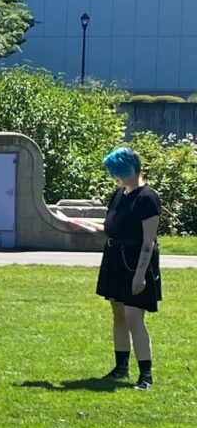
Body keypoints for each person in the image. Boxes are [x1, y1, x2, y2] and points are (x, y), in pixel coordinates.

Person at [78, 146, 161, 390]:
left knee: (134, 317)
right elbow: (112, 226)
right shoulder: (119, 194)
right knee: (118, 313)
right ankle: (121, 366)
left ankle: (145, 375)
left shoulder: (147, 198)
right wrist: (83, 225)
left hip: (136, 262)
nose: (114, 176)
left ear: (130, 170)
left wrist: (140, 276)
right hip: (114, 258)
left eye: (117, 171)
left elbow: (148, 242)